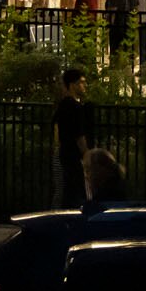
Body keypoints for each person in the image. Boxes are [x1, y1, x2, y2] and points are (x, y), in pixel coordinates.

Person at [53, 66, 95, 206]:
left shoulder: (63, 105)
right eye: (81, 82)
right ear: (72, 85)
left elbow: (56, 128)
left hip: (63, 153)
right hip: (74, 156)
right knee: (76, 191)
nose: (85, 85)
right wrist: (86, 154)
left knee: (64, 190)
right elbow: (79, 135)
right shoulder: (75, 107)